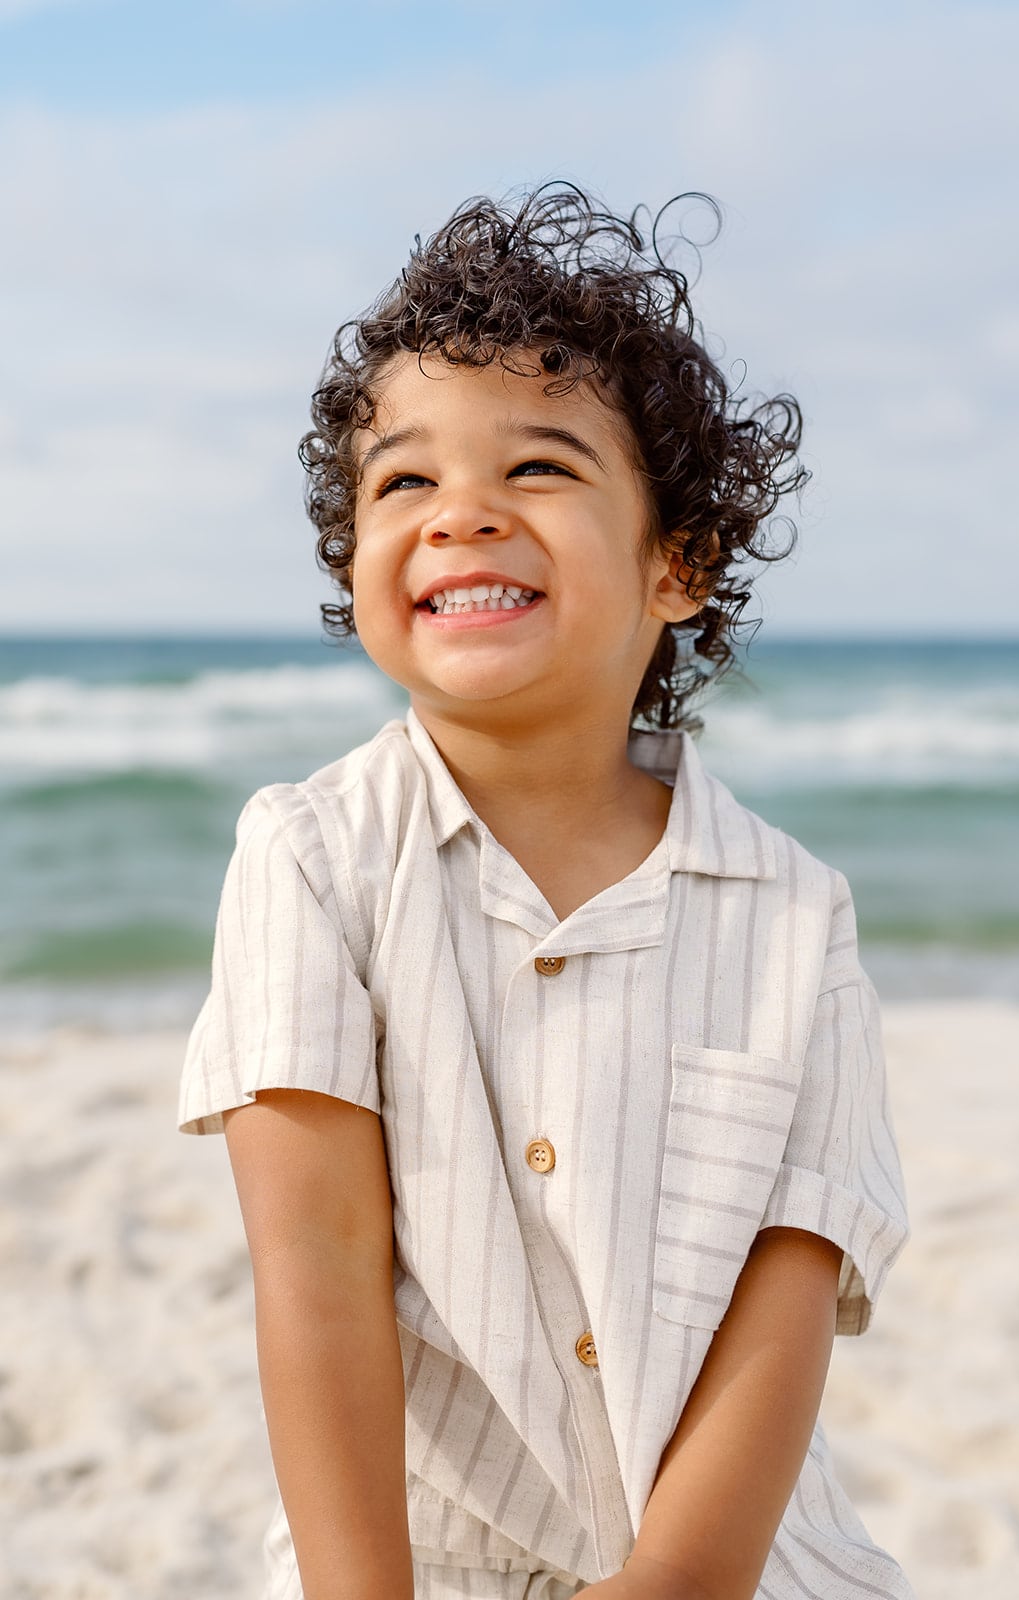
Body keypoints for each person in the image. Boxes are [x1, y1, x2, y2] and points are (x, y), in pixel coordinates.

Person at [178, 183, 913, 1600]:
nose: (461, 515)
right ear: (355, 562)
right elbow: (316, 1264)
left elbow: (791, 1288)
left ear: (676, 563)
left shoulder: (792, 916)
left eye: (538, 470)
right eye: (405, 482)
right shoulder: (313, 858)